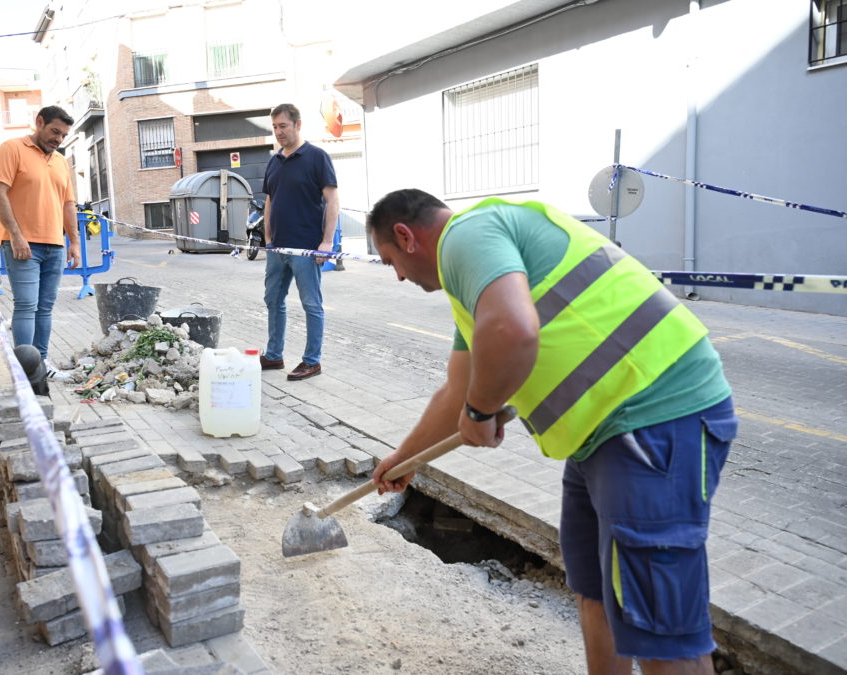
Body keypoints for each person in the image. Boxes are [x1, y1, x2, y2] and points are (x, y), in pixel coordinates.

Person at [366, 189, 736, 674]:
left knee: (658, 627)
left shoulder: (467, 235)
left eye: (390, 259)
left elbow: (512, 331)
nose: (395, 274)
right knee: (595, 592)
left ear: (405, 235)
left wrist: (481, 412)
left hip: (653, 421)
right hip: (598, 441)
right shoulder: (474, 287)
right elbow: (457, 390)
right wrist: (406, 460)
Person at [0, 106, 81, 374]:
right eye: (54, 131)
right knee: (27, 305)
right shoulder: (12, 149)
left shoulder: (61, 161)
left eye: (63, 135)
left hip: (54, 244)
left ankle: (41, 363)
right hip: (23, 245)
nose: (58, 139)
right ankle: (24, 368)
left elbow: (68, 204)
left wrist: (73, 241)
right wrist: (16, 235)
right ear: (39, 122)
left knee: (45, 308)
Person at [258, 103, 340, 381]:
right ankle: (273, 355)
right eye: (275, 127)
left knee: (311, 304)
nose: (278, 132)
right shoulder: (274, 160)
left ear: (297, 125)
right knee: (273, 300)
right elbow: (270, 199)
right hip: (277, 248)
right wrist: (268, 238)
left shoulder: (316, 157)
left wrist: (327, 242)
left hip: (306, 248)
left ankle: (312, 361)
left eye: (283, 126)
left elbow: (332, 200)